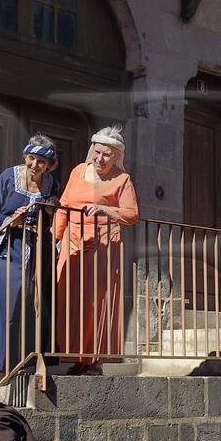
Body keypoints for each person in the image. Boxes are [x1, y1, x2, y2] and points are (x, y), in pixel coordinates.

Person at [54, 124, 140, 375]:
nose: (100, 158)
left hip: (103, 246)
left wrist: (106, 210)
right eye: (97, 152)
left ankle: (95, 360)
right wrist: (55, 236)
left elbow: (132, 214)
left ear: (116, 157)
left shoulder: (122, 180)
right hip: (72, 243)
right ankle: (76, 356)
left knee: (96, 302)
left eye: (107, 155)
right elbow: (64, 204)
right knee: (68, 299)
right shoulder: (78, 171)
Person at [0, 135, 60, 373]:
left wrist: (51, 210)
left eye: (42, 162)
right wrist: (12, 220)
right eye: (32, 158)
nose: (35, 165)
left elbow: (51, 216)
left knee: (34, 304)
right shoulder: (8, 177)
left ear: (50, 165)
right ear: (25, 156)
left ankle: (29, 361)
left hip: (38, 248)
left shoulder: (52, 184)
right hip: (10, 248)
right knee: (5, 303)